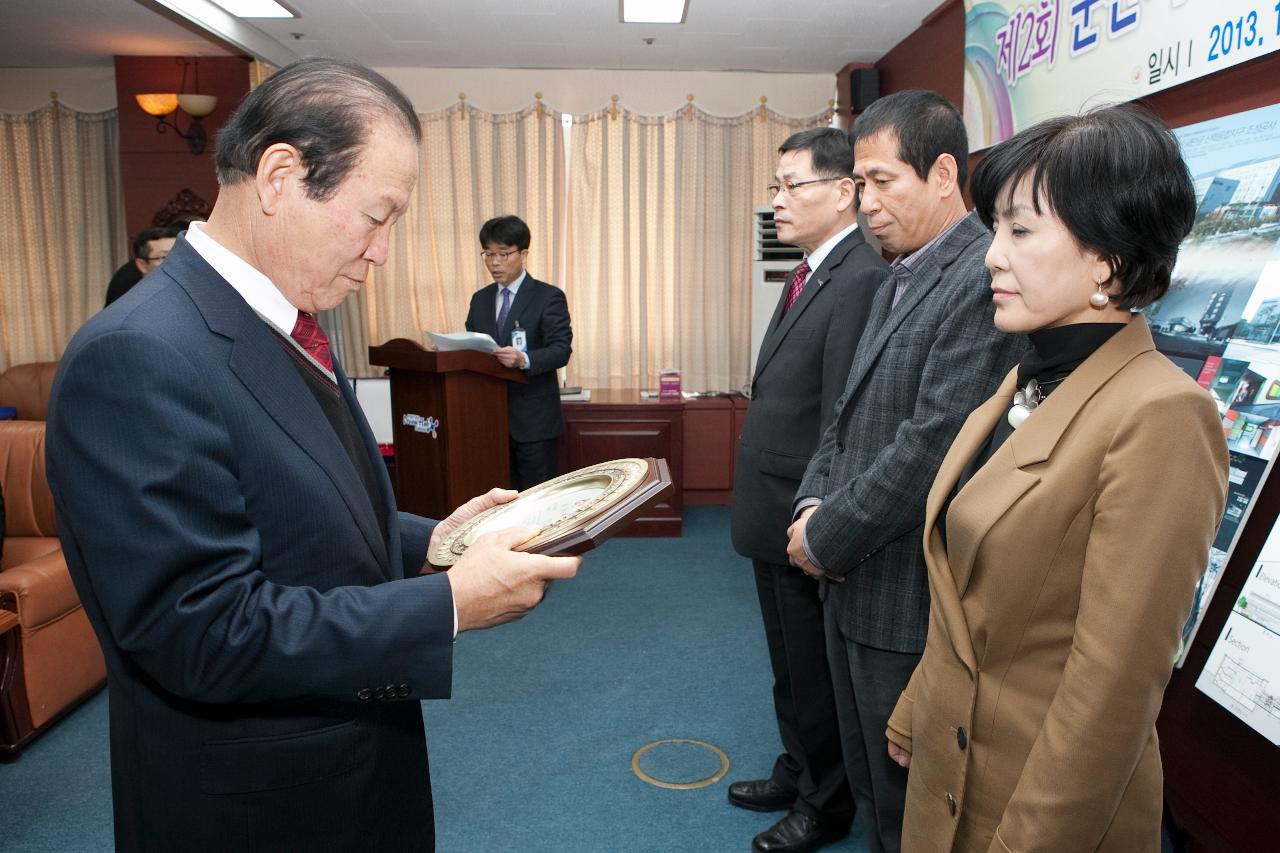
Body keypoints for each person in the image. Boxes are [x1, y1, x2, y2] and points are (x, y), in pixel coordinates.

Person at [46, 57, 579, 853]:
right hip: (255, 809)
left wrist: (432, 541)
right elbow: (204, 631)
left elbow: (297, 504)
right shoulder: (138, 353)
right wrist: (450, 604)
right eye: (377, 215)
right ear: (280, 175)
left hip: (346, 765)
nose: (383, 253)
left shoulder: (278, 318)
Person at [885, 104, 1229, 853]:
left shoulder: (1163, 414)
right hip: (952, 766)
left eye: (1020, 230)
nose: (991, 256)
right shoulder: (1031, 376)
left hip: (1037, 805)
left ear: (1106, 258)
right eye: (997, 229)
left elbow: (1113, 691)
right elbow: (966, 594)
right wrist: (918, 706)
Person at [786, 90, 1026, 853]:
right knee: (870, 787)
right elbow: (847, 415)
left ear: (945, 172)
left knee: (910, 803)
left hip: (904, 597)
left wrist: (826, 536)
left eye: (883, 180)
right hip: (852, 575)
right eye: (860, 183)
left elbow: (930, 447)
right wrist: (813, 500)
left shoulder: (977, 278)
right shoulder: (902, 270)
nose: (868, 202)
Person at [728, 127, 888, 853]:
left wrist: (815, 516)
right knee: (787, 661)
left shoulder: (858, 276)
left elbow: (843, 417)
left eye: (794, 186)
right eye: (775, 186)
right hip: (773, 501)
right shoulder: (811, 270)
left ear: (845, 191)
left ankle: (827, 803)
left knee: (813, 666)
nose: (778, 201)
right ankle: (799, 767)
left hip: (804, 512)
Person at [465, 214, 572, 490]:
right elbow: (472, 346)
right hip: (489, 420)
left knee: (538, 498)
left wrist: (523, 359)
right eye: (488, 254)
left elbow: (561, 350)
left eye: (503, 253)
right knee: (499, 498)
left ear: (523, 254)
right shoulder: (480, 299)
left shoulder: (548, 296)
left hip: (533, 423)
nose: (495, 262)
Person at [103, 225, 180, 307]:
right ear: (142, 265)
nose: (177, 261)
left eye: (179, 255)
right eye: (164, 257)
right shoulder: (128, 299)